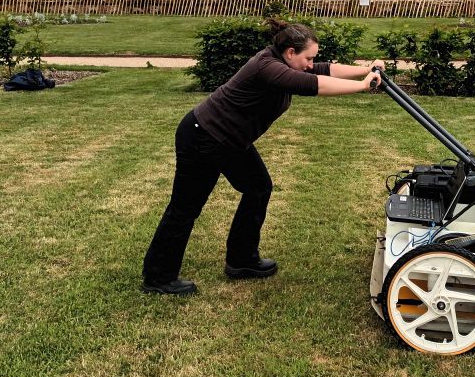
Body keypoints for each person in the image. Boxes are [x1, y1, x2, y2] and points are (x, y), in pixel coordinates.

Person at [141, 21, 383, 296]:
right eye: (308, 58)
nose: (311, 63)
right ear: (290, 52)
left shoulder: (286, 62)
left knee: (258, 187)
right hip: (204, 137)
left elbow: (323, 69)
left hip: (231, 141)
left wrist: (366, 70)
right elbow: (314, 83)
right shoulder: (268, 67)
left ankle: (242, 260)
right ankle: (158, 277)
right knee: (185, 208)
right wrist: (363, 86)